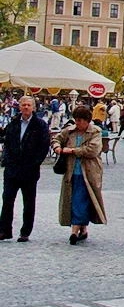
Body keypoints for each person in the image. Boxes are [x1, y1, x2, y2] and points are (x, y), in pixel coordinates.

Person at [52, 105, 107, 244]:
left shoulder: (95, 132)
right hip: (71, 172)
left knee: (81, 200)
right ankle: (83, 229)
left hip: (88, 173)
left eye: (81, 120)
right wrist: (57, 147)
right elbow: (56, 139)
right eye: (76, 120)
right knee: (74, 200)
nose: (78, 123)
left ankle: (74, 231)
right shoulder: (70, 131)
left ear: (87, 120)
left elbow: (92, 150)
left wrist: (72, 151)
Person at [0, 96, 51, 242]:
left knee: (28, 202)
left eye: (29, 105)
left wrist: (34, 163)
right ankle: (4, 230)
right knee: (7, 199)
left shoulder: (40, 125)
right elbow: (7, 142)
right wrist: (7, 160)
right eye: (24, 105)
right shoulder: (14, 123)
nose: (26, 107)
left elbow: (44, 146)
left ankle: (25, 231)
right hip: (12, 169)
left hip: (30, 170)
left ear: (33, 107)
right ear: (20, 107)